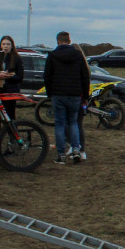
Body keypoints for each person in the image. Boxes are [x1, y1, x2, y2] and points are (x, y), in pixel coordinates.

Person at [44, 31, 89, 164]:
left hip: (58, 94)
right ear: (69, 41)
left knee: (59, 124)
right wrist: (85, 96)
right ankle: (76, 150)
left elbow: (47, 76)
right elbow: (85, 76)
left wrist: (49, 93)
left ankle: (61, 155)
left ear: (58, 41)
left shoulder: (52, 55)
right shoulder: (78, 55)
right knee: (73, 123)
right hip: (75, 94)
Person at [0, 35, 25, 138]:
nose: (6, 46)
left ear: (12, 45)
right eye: (4, 44)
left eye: (8, 44)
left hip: (10, 91)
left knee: (10, 116)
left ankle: (12, 139)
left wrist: (8, 76)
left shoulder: (16, 58)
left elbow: (20, 77)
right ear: (0, 45)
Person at [72, 43, 91, 163]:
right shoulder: (84, 65)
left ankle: (79, 149)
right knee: (77, 124)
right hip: (80, 97)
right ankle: (80, 149)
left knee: (75, 124)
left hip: (76, 97)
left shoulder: (77, 65)